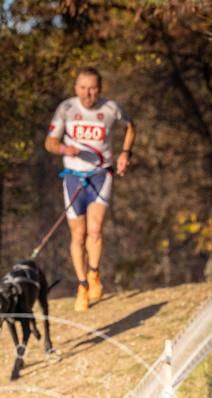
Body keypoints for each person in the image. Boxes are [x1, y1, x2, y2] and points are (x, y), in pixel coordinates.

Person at [45, 67, 135, 312]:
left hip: (100, 175)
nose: (87, 93)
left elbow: (130, 126)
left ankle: (94, 272)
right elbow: (50, 142)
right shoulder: (66, 109)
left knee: (95, 229)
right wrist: (64, 149)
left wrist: (125, 153)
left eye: (92, 88)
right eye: (83, 88)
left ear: (100, 88)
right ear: (76, 88)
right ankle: (82, 284)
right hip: (73, 177)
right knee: (78, 236)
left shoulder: (111, 109)